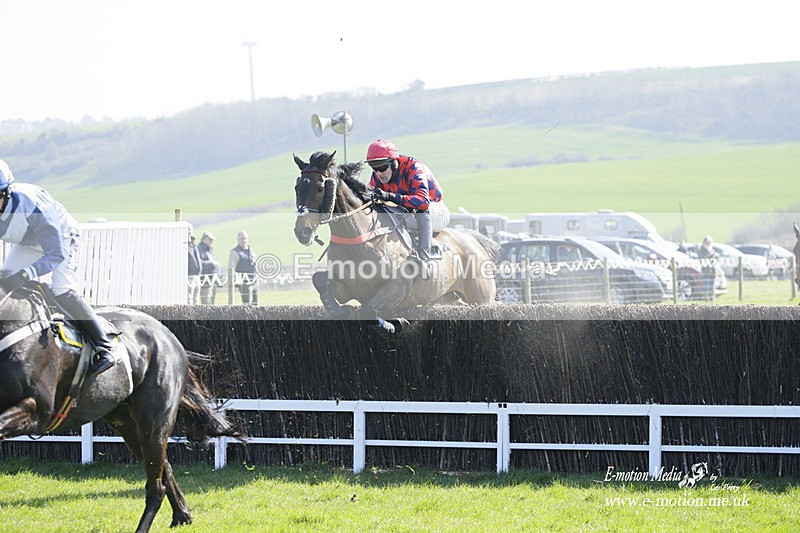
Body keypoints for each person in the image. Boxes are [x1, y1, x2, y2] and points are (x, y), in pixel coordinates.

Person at [0, 159, 116, 375]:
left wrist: (26, 273)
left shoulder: (31, 206)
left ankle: (105, 346)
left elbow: (55, 254)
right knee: (5, 279)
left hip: (62, 239)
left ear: (6, 193)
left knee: (62, 290)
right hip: (29, 242)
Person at [365, 139, 450, 263]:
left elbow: (422, 202)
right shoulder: (378, 175)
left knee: (420, 210)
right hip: (408, 211)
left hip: (435, 210)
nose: (378, 173)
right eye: (373, 168)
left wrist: (390, 196)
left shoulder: (413, 167)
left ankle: (423, 258)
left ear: (394, 163)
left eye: (382, 167)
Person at [227, 230, 258, 305]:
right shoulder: (234, 252)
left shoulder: (251, 251)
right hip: (244, 282)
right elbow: (231, 268)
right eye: (242, 238)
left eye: (245, 238)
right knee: (247, 304)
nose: (244, 240)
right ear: (237, 240)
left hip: (254, 281)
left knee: (256, 303)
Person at [197, 231, 221, 304]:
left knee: (212, 304)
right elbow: (199, 263)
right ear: (204, 239)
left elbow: (216, 262)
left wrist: (219, 274)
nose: (211, 241)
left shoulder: (210, 250)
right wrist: (211, 264)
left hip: (213, 280)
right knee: (206, 303)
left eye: (212, 240)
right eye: (210, 239)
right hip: (205, 281)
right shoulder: (199, 249)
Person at [697, 235, 719, 301]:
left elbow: (717, 257)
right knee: (706, 287)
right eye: (708, 243)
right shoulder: (701, 251)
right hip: (706, 272)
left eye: (710, 243)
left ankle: (712, 300)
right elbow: (703, 258)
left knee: (712, 287)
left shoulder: (712, 249)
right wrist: (712, 256)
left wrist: (716, 256)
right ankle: (707, 300)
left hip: (713, 271)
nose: (709, 244)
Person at [187, 225, 202, 304]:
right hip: (189, 276)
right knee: (189, 299)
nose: (188, 231)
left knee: (196, 299)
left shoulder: (193, 244)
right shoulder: (183, 244)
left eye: (190, 230)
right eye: (187, 229)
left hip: (197, 276)